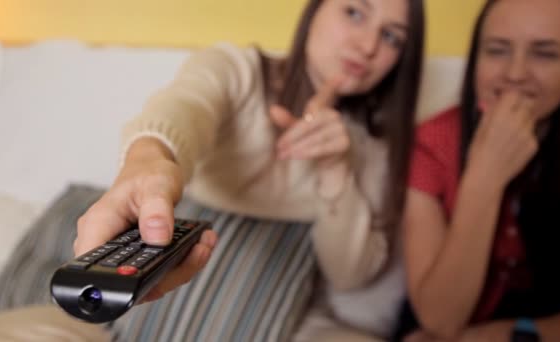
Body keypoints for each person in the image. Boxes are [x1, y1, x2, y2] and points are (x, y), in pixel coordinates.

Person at [75, 0, 424, 340]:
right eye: (354, 12)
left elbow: (349, 276)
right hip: (149, 292)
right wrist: (148, 158)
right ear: (315, 9)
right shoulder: (235, 70)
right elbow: (185, 105)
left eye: (392, 37)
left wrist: (335, 170)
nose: (367, 46)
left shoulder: (376, 149)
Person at [398, 0, 560, 340]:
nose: (515, 73)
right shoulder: (430, 144)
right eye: (497, 50)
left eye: (545, 54)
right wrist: (484, 176)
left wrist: (510, 334)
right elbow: (440, 319)